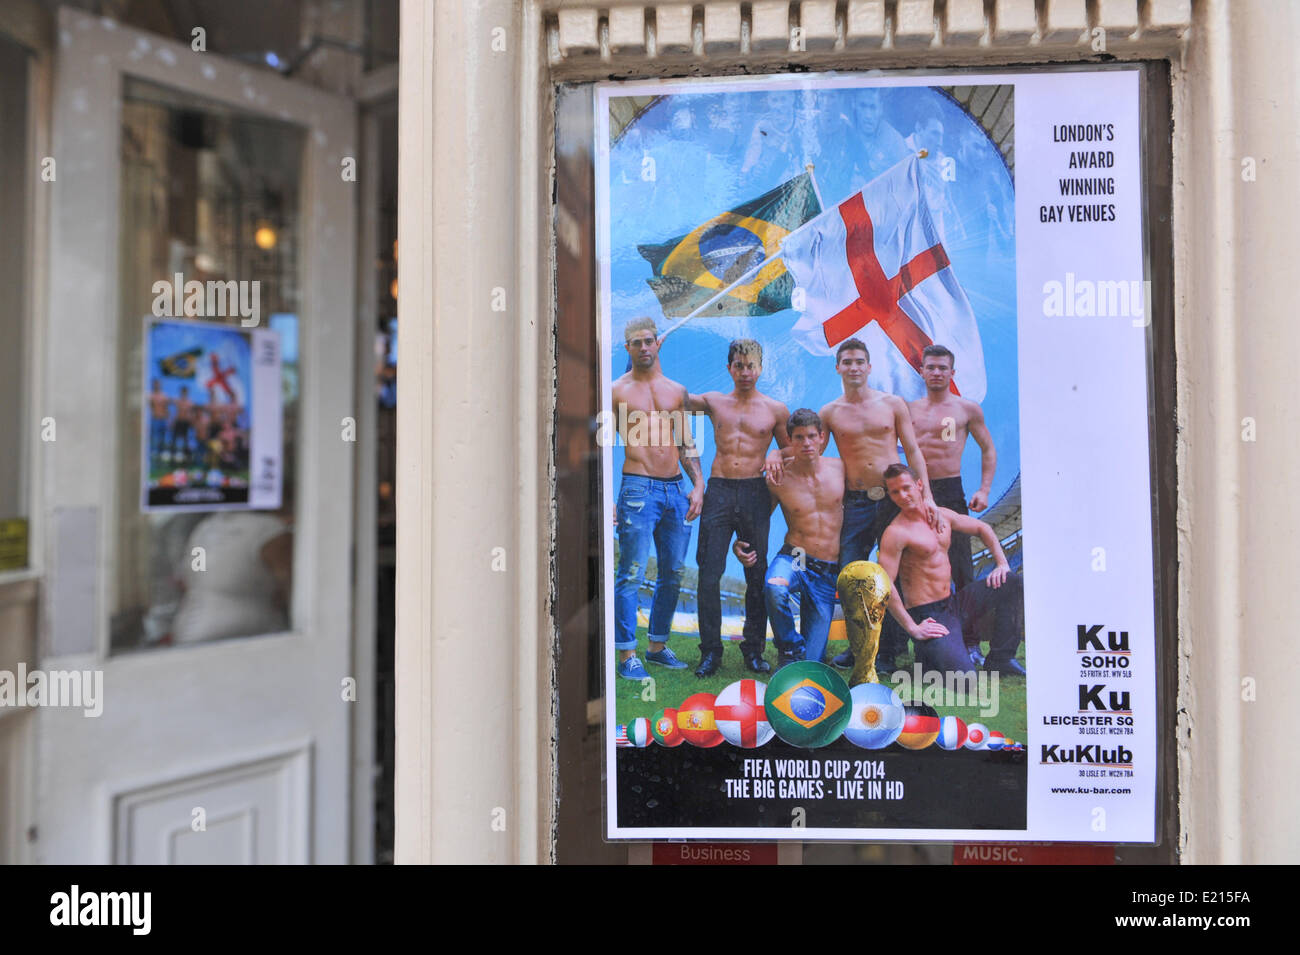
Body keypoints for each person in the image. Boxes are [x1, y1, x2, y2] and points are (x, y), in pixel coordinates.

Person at [766, 338, 935, 672]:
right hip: (855, 503)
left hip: (891, 500)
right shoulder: (830, 413)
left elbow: (913, 451)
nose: (854, 367)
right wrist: (774, 452)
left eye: (860, 361)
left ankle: (885, 652)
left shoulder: (893, 404)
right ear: (838, 367)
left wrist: (925, 494)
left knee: (893, 575)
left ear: (869, 366)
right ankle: (859, 648)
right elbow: (808, 446)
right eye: (847, 362)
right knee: (851, 578)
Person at [685, 339, 790, 677]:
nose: (746, 372)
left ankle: (754, 650)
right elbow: (673, 399)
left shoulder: (776, 410)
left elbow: (791, 452)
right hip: (719, 491)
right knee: (709, 574)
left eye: (751, 366)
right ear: (729, 367)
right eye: (739, 365)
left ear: (761, 368)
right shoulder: (714, 401)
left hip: (755, 493)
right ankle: (710, 652)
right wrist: (647, 362)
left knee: (756, 575)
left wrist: (775, 453)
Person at [611, 316, 705, 680]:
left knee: (674, 572)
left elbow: (685, 441)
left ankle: (657, 647)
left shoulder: (675, 390)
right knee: (631, 572)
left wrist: (697, 485)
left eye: (649, 340)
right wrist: (605, 498)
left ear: (657, 343)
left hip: (675, 489)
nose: (644, 347)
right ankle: (626, 655)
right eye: (636, 342)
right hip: (637, 488)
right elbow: (597, 445)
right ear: (628, 348)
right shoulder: (617, 391)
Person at [876, 463, 1026, 677]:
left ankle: (1001, 658)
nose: (902, 495)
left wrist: (1002, 564)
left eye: (906, 487)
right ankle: (928, 652)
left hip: (955, 603)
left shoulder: (941, 515)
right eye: (895, 492)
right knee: (965, 681)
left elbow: (982, 528)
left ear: (919, 485)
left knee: (1012, 582)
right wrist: (913, 628)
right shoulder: (896, 533)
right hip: (929, 614)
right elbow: (885, 585)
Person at [907, 344, 997, 662]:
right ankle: (909, 646)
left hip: (950, 491)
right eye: (930, 367)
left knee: (961, 569)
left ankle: (972, 643)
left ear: (952, 373)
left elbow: (987, 449)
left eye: (942, 368)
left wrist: (984, 489)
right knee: (909, 571)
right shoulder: (908, 410)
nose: (936, 373)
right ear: (921, 371)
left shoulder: (966, 409)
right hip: (914, 495)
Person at [735, 409, 844, 668]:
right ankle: (790, 648)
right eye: (798, 438)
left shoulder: (840, 469)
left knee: (811, 666)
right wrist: (740, 542)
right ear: (790, 440)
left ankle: (803, 656)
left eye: (810, 436)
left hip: (828, 570)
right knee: (774, 587)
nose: (806, 443)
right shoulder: (778, 477)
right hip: (796, 556)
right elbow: (760, 518)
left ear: (821, 437)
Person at [147, 379, 173, 465]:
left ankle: (160, 461)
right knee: (154, 440)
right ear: (153, 385)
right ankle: (152, 461)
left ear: (160, 385)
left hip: (163, 420)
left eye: (158, 384)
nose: (157, 386)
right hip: (155, 420)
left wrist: (169, 420)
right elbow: (150, 407)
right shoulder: (151, 395)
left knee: (163, 441)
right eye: (155, 384)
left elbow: (167, 409)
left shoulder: (164, 396)